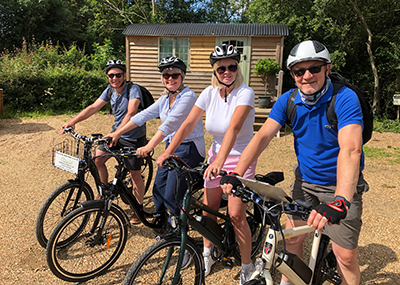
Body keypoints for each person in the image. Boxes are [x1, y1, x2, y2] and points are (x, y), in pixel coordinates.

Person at [221, 40, 369, 285]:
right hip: (305, 182)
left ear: (327, 69)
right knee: (291, 239)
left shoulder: (344, 98)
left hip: (340, 187)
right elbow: (263, 136)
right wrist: (236, 173)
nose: (307, 76)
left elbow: (351, 149)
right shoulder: (288, 100)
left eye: (315, 69)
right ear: (292, 74)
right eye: (299, 71)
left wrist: (341, 200)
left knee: (345, 256)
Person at [156, 44, 257, 285]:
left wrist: (220, 161)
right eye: (221, 68)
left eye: (232, 66)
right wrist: (167, 152)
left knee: (234, 215)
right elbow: (187, 125)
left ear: (237, 68)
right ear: (214, 70)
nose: (227, 71)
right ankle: (207, 253)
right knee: (207, 211)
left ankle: (247, 265)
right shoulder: (209, 93)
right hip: (216, 156)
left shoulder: (245, 92)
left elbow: (234, 126)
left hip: (241, 157)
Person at [105, 56, 205, 222]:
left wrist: (149, 146)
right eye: (166, 75)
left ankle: (178, 233)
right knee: (158, 188)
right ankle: (161, 221)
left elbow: (170, 124)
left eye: (175, 75)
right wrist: (118, 133)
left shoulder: (188, 97)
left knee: (171, 194)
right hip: (171, 146)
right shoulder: (165, 98)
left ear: (182, 77)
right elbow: (142, 116)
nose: (170, 78)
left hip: (189, 148)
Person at [62, 59, 147, 223]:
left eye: (118, 75)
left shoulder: (133, 89)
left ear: (124, 75)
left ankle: (139, 207)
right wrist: (73, 122)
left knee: (135, 174)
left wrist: (118, 133)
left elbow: (131, 113)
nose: (114, 78)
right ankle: (103, 192)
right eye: (111, 75)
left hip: (132, 137)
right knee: (96, 159)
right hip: (115, 134)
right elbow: (93, 107)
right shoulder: (110, 90)